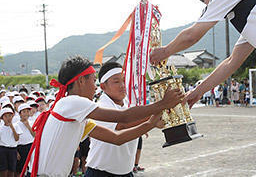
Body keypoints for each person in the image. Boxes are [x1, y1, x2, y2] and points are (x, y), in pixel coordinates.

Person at [22, 56, 183, 177]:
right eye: (93, 81)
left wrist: (150, 124)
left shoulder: (74, 113)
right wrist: (163, 104)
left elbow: (116, 138)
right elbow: (125, 118)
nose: (95, 87)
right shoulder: (72, 102)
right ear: (80, 82)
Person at [150, 0, 256, 108]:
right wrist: (199, 91)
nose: (206, 4)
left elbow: (192, 35)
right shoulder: (247, 18)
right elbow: (231, 62)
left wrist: (166, 51)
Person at [86, 62, 163, 177]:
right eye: (116, 81)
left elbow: (132, 120)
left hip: (126, 172)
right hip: (100, 173)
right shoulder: (101, 107)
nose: (122, 85)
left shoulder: (128, 103)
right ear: (103, 86)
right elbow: (123, 124)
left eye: (124, 80)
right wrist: (159, 110)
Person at [0, 108, 23, 177]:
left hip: (12, 149)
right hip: (2, 149)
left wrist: (12, 127)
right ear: (2, 118)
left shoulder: (16, 126)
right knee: (3, 169)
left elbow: (16, 138)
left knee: (12, 169)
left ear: (12, 116)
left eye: (10, 116)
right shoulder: (1, 128)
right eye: (5, 116)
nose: (8, 118)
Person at [16, 103, 35, 176]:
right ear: (20, 114)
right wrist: (16, 151)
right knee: (20, 169)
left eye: (27, 111)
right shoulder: (16, 124)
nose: (26, 114)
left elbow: (35, 135)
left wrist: (28, 126)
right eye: (24, 112)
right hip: (21, 147)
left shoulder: (32, 122)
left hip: (30, 146)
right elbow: (15, 139)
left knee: (31, 167)